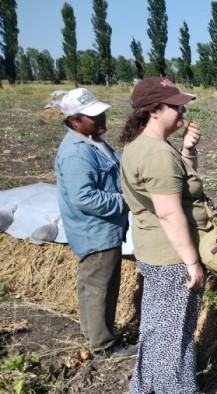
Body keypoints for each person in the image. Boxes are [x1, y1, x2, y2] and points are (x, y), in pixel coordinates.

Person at [120, 77, 205, 393]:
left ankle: (144, 387)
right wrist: (192, 262)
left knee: (156, 329)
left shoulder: (141, 146)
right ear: (155, 109)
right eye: (176, 106)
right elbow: (170, 213)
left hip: (151, 248)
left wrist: (187, 150)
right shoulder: (157, 154)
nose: (183, 111)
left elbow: (176, 188)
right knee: (175, 335)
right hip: (171, 256)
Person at [54, 88, 136, 359]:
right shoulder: (78, 153)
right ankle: (104, 345)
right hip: (96, 231)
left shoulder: (91, 141)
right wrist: (124, 201)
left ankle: (93, 335)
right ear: (74, 120)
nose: (101, 117)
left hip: (99, 229)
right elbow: (84, 197)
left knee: (92, 285)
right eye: (92, 115)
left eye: (101, 111)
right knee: (102, 287)